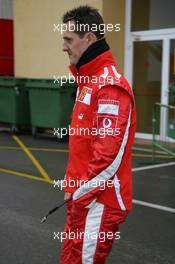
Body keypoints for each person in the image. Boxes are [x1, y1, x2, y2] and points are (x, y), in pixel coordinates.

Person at [60, 5, 136, 264]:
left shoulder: (109, 86)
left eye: (68, 40)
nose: (63, 47)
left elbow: (108, 158)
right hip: (84, 199)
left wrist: (78, 193)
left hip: (98, 203)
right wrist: (73, 188)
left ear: (89, 38)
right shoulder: (88, 81)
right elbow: (85, 147)